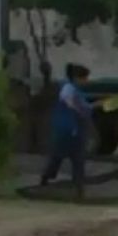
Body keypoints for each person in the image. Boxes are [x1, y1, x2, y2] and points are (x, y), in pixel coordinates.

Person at [41, 63, 100, 200]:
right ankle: (73, 186)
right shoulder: (69, 90)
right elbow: (78, 107)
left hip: (69, 129)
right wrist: (93, 106)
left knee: (70, 158)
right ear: (76, 78)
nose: (86, 81)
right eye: (84, 78)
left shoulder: (72, 89)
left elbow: (82, 108)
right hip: (68, 129)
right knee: (68, 158)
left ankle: (77, 187)